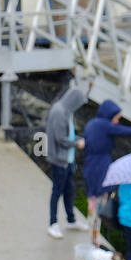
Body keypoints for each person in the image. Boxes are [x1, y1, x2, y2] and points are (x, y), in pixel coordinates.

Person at [82, 100, 131, 246]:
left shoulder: (91, 124)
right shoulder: (105, 126)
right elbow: (128, 132)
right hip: (101, 168)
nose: (117, 120)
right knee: (100, 202)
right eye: (117, 117)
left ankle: (92, 235)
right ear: (109, 114)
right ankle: (94, 238)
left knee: (92, 202)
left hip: (89, 165)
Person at [44, 85, 89, 238]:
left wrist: (77, 139)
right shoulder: (59, 112)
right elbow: (60, 138)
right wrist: (77, 144)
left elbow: (68, 134)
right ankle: (53, 223)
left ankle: (71, 220)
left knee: (69, 190)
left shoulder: (67, 111)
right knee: (57, 191)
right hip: (59, 160)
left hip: (68, 159)